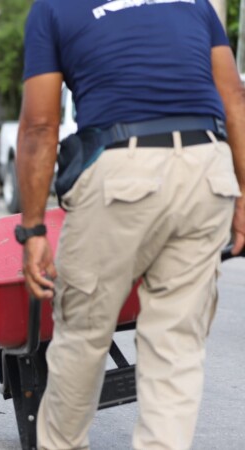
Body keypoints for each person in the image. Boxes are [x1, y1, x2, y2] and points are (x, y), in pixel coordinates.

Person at [17, 1, 245, 449]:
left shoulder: (54, 8)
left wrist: (33, 230)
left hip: (124, 168)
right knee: (176, 342)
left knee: (83, 333)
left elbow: (41, 126)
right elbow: (234, 98)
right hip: (207, 168)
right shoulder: (193, 3)